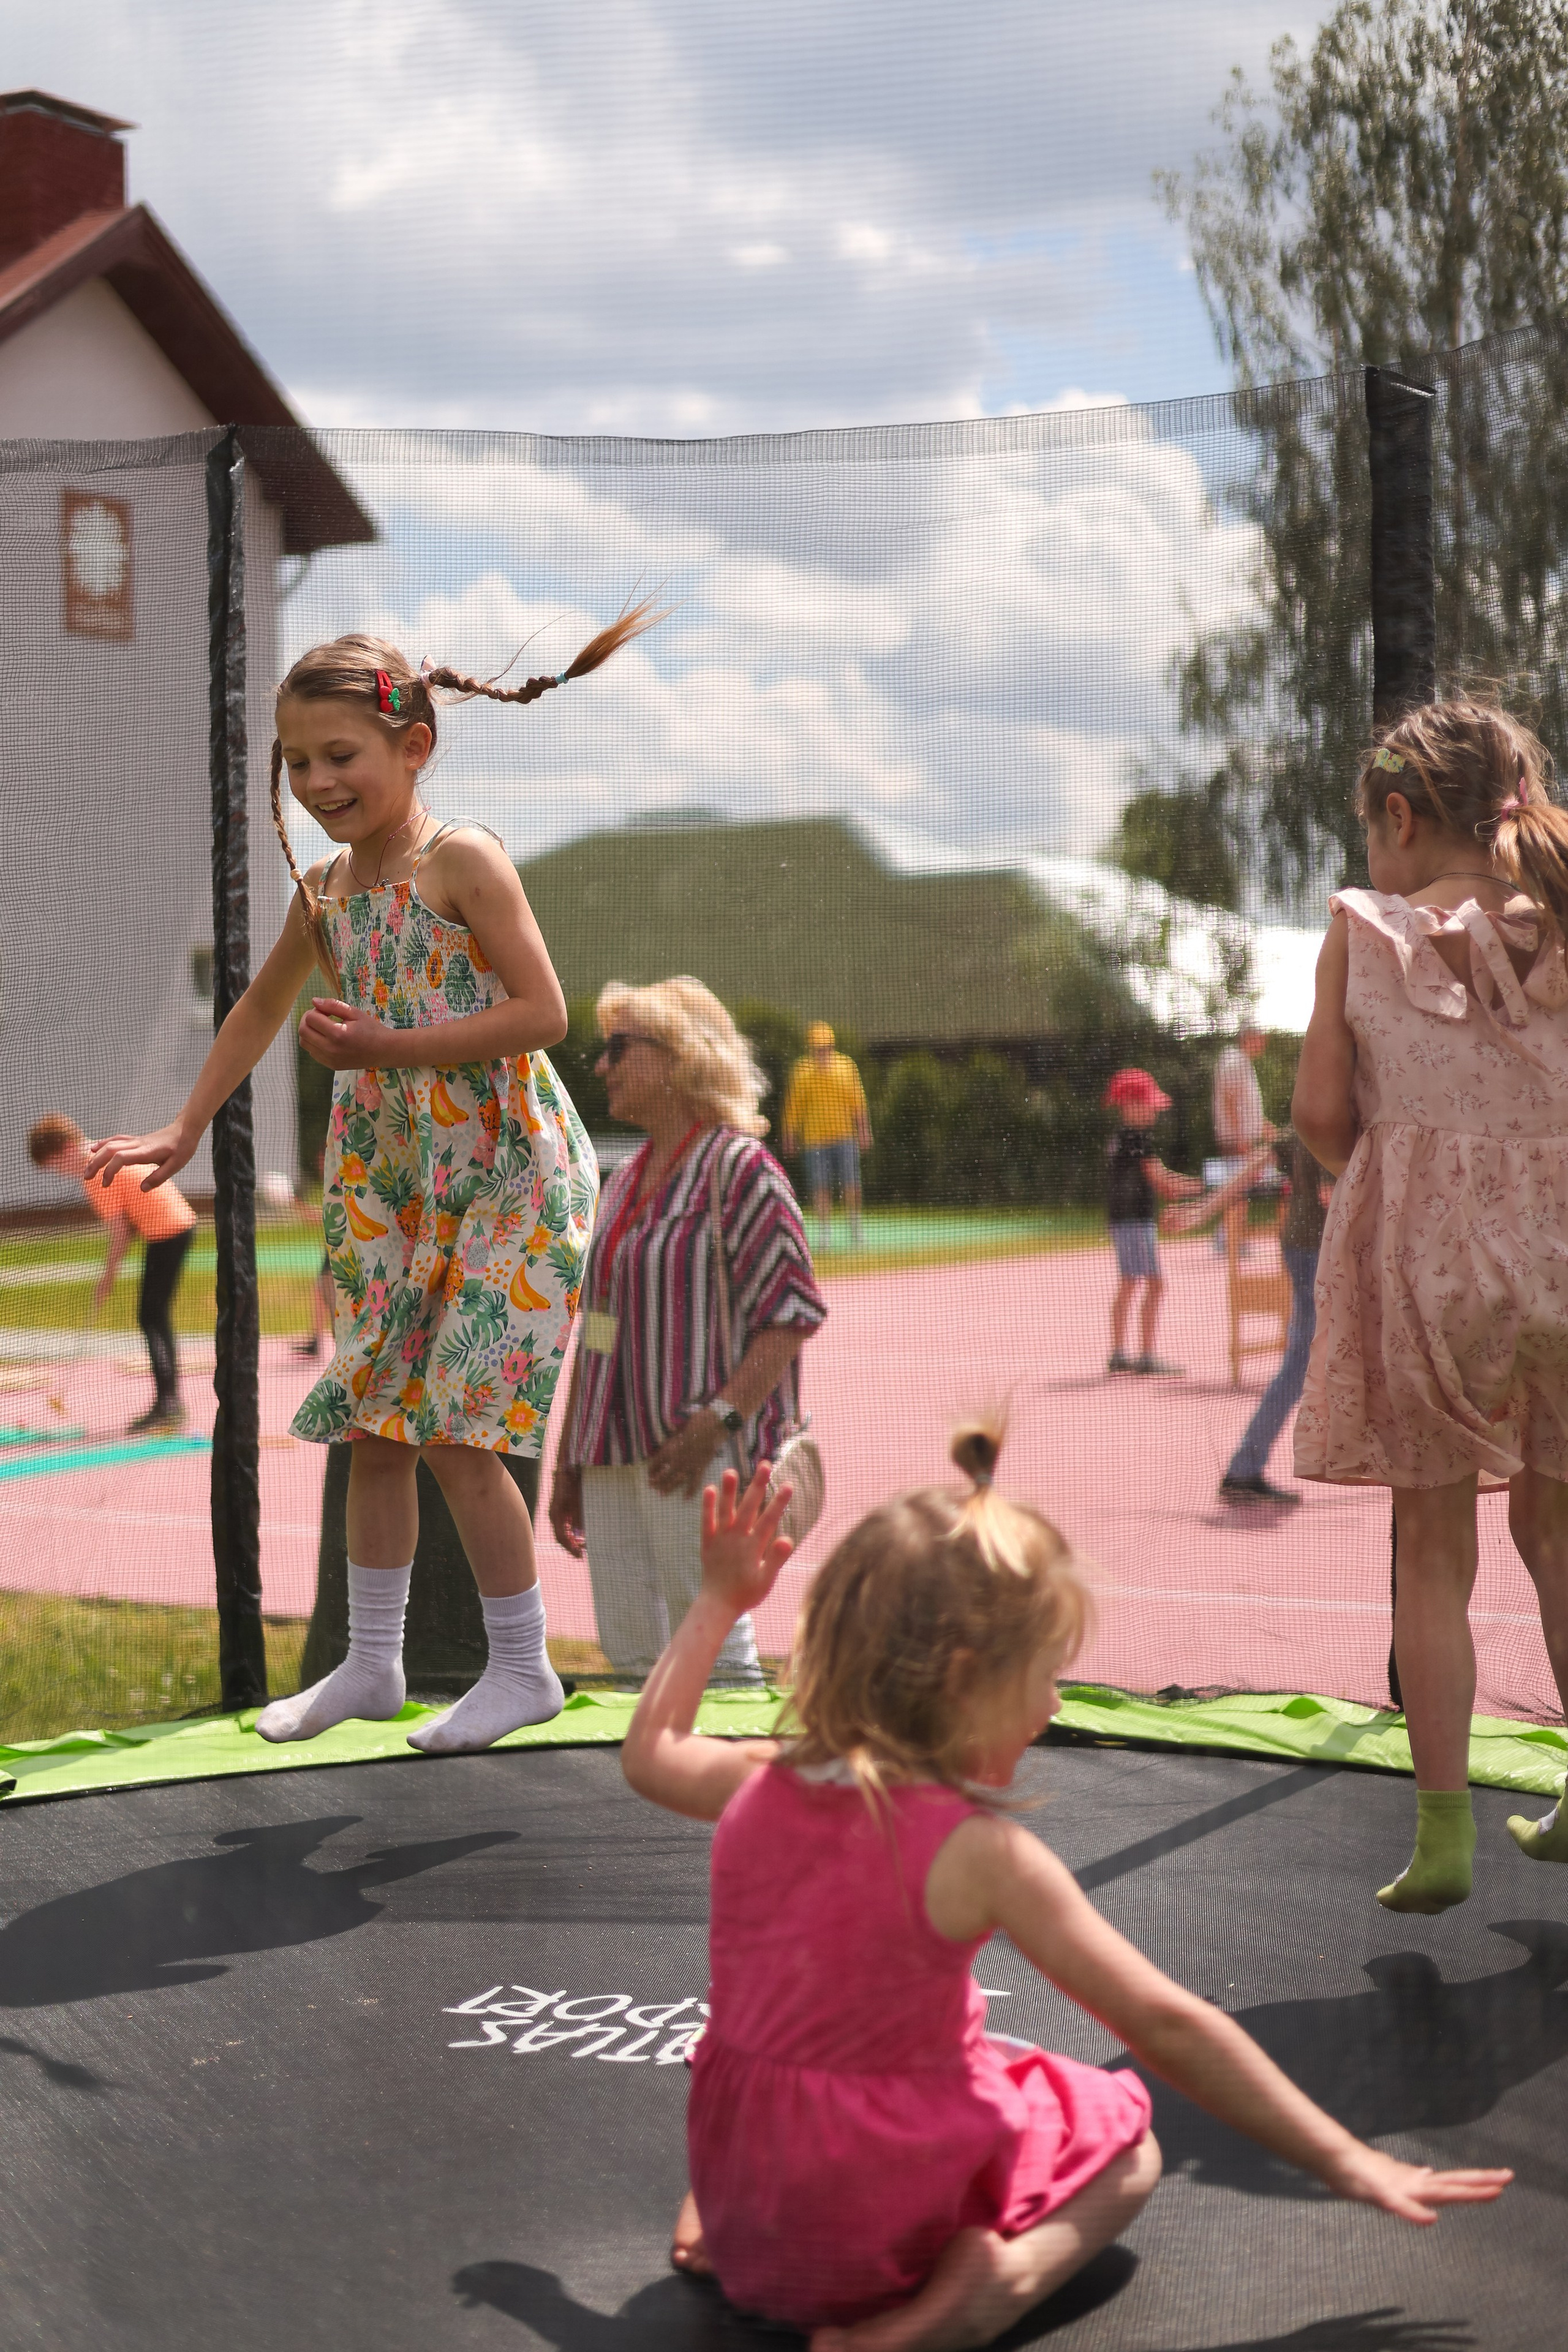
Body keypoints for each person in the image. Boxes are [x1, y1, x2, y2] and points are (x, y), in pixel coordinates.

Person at [621, 1435, 1510, 2349]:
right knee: (1128, 2147)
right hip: (870, 2234)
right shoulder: (978, 1854)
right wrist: (1345, 2157)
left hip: (748, 2213)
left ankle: (737, 2225)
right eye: (1041, 1675)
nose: (1051, 1707)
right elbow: (1166, 2025)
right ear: (966, 1677)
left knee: (806, 2046)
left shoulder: (758, 1782)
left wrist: (719, 1603)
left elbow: (649, 1752)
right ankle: (966, 2305)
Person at [84, 614, 658, 1753]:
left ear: (415, 747)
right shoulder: (328, 894)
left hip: (508, 1177)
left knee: (451, 1427)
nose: (316, 782)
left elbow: (542, 1011)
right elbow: (256, 1011)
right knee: (377, 1427)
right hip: (395, 1183)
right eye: (297, 763)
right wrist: (186, 1124)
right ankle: (374, 1664)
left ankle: (521, 1668)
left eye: (340, 756)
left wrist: (388, 1046)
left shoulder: (464, 862)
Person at [1294, 698, 1568, 1911]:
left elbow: (1314, 1118)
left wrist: (1386, 1141)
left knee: (1433, 1542)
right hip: (1563, 1247)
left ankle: (1443, 1829)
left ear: (1396, 817)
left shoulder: (1363, 928)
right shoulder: (1557, 914)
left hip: (1433, 1263)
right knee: (1557, 1533)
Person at [548, 978, 825, 1684]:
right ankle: (655, 1787)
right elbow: (599, 1328)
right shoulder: (620, 1182)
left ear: (680, 1058)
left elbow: (789, 1316)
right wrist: (570, 1459)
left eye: (618, 1049)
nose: (602, 1066)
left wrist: (717, 1420)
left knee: (713, 1643)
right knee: (632, 1645)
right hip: (611, 1451)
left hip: (699, 1453)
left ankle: (729, 1787)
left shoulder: (741, 1170)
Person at [27, 1112, 196, 1434]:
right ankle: (169, 1402)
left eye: (55, 1166)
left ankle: (169, 1404)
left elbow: (120, 1231)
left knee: (151, 1316)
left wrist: (107, 1278)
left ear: (63, 1150)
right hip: (172, 1228)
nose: (60, 1173)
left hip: (169, 1232)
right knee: (154, 1315)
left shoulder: (95, 1171)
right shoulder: (107, 1150)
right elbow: (129, 1223)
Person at [1217, 1131, 1332, 1507]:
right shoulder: (1340, 1123)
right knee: (1301, 1363)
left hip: (1300, 1245)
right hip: (1319, 1251)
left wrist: (1204, 1208)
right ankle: (1244, 1469)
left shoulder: (1306, 1119)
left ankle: (1245, 1467)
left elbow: (1255, 1164)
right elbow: (1332, 1196)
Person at [1101, 1068, 1202, 1376]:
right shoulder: (1137, 1140)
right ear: (1130, 1105)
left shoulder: (1121, 1139)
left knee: (1131, 1282)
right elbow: (1163, 1181)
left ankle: (1120, 1353)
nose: (1154, 1113)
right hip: (1135, 1220)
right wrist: (1208, 1185)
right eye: (1148, 1105)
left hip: (1123, 1220)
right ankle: (1144, 1355)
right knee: (1154, 1284)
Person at [780, 1022, 873, 1251]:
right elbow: (793, 1107)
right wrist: (790, 1136)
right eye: (818, 1048)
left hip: (845, 1137)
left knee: (852, 1183)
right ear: (811, 1048)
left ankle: (856, 1229)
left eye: (826, 1047)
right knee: (820, 1186)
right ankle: (825, 1234)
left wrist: (864, 1131)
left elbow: (858, 1102)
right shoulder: (802, 1070)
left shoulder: (846, 1066)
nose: (823, 1053)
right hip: (814, 1140)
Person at [1210, 1022, 1277, 1257]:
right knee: (1238, 1188)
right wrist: (1240, 1136)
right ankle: (1229, 1240)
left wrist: (1264, 1127)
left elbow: (1245, 1105)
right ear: (1249, 1038)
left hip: (1241, 1136)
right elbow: (1230, 1099)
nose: (1263, 1044)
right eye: (1260, 1038)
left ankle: (1227, 1237)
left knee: (1239, 1187)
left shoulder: (1240, 1062)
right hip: (1235, 1139)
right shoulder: (1236, 1060)